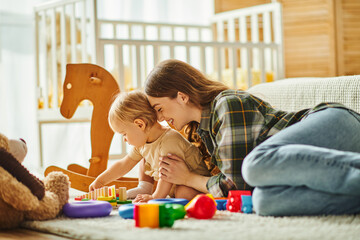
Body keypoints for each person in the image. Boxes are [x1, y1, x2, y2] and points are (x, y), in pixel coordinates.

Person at [144, 59, 360, 216]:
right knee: (263, 201)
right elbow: (243, 191)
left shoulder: (226, 104)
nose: (161, 118)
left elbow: (236, 184)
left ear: (182, 96)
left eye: (160, 108)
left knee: (254, 165)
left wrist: (188, 178)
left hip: (335, 123)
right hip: (322, 153)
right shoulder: (204, 132)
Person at [89, 90, 211, 202]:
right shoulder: (143, 143)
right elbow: (124, 164)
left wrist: (156, 197)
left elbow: (167, 174)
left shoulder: (169, 140)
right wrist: (100, 181)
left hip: (191, 184)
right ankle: (144, 188)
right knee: (142, 157)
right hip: (171, 184)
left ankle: (160, 194)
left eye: (124, 134)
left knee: (184, 193)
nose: (125, 139)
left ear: (139, 124)